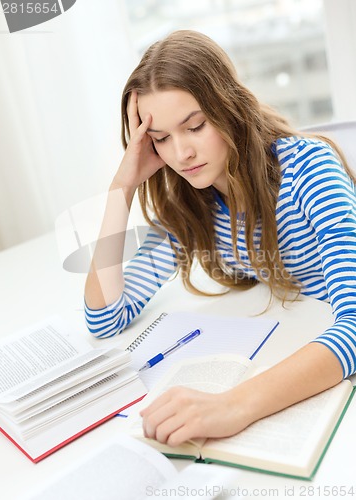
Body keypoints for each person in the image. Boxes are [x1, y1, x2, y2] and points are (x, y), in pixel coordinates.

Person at [84, 30, 356, 446]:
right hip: (302, 333)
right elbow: (105, 317)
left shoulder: (309, 172)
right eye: (160, 140)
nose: (181, 154)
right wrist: (121, 189)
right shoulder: (195, 206)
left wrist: (233, 406)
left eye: (194, 126)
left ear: (228, 107)